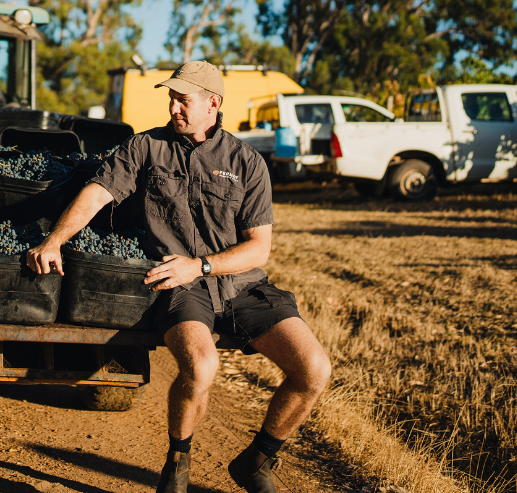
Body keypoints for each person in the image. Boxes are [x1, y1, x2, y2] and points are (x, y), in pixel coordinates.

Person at [24, 61, 332, 493]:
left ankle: (257, 462)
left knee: (314, 369)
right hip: (179, 285)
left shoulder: (246, 161)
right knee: (202, 367)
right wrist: (55, 239)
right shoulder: (145, 147)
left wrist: (204, 263)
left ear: (213, 104)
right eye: (171, 98)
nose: (173, 108)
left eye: (182, 99)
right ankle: (177, 464)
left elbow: (259, 248)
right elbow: (98, 192)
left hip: (241, 284)